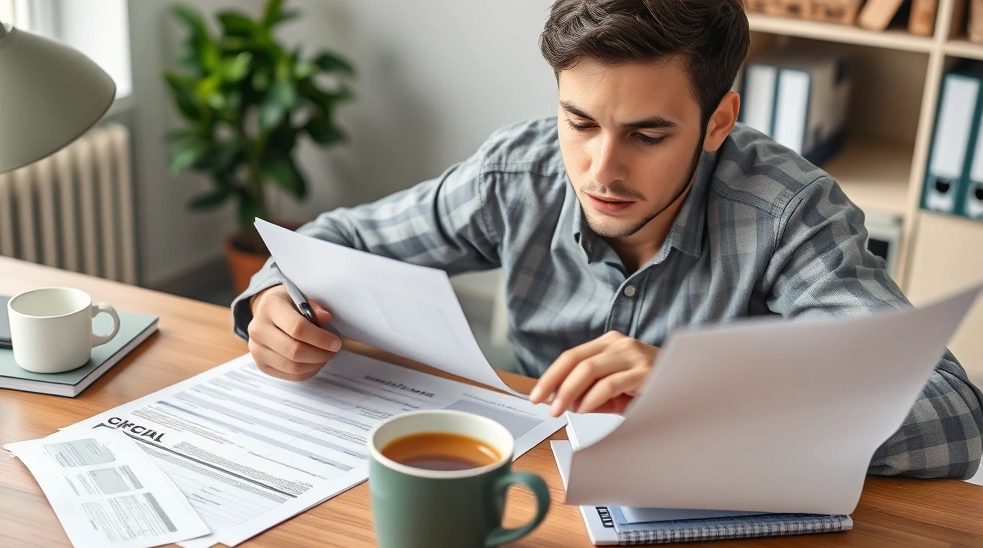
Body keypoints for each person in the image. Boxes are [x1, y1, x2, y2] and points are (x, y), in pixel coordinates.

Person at [231, 0, 983, 479]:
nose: (601, 169)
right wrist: (272, 297)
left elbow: (952, 418)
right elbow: (342, 238)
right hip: (535, 488)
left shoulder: (789, 215)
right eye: (580, 122)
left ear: (718, 122)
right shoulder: (517, 170)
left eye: (648, 134)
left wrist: (702, 391)